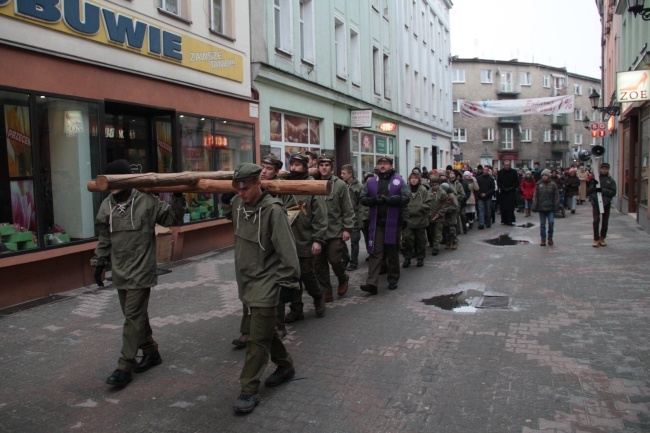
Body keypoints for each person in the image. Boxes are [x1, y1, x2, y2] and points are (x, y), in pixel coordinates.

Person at [90, 159, 186, 388]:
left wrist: (178, 196)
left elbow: (173, 218)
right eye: (109, 180)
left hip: (141, 271)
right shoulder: (106, 206)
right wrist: (99, 263)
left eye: (117, 180)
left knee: (132, 318)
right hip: (120, 272)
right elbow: (105, 239)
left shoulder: (146, 201)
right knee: (135, 318)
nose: (113, 184)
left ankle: (124, 367)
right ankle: (151, 352)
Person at [229, 163, 300, 415]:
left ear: (258, 182)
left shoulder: (273, 211)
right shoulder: (238, 205)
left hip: (267, 285)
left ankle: (248, 390)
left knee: (256, 339)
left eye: (245, 187)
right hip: (246, 282)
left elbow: (288, 252)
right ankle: (285, 365)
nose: (241, 192)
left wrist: (288, 284)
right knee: (265, 331)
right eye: (236, 188)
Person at [284, 153, 327, 323]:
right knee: (292, 276)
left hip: (306, 238)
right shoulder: (283, 185)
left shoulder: (312, 186)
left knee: (307, 274)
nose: (293, 168)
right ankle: (296, 309)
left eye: (297, 165)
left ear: (305, 167)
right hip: (287, 239)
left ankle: (318, 296)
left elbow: (320, 216)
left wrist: (318, 239)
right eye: (291, 164)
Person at [359, 156, 409, 294]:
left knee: (392, 252)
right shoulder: (371, 182)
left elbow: (406, 197)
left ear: (391, 166)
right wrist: (373, 200)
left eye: (385, 164)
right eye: (380, 163)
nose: (382, 166)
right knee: (375, 252)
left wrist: (391, 200)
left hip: (393, 223)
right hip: (377, 223)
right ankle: (371, 284)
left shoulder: (398, 180)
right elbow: (362, 198)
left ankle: (393, 279)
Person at [314, 153, 354, 301]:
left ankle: (343, 278)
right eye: (321, 165)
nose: (324, 168)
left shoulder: (340, 185)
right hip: (317, 231)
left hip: (335, 230)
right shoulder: (313, 183)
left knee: (335, 259)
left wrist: (347, 228)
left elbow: (347, 208)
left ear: (331, 167)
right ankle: (326, 291)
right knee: (319, 264)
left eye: (327, 165)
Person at [402, 171, 431, 268]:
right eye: (412, 178)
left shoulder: (423, 190)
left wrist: (420, 207)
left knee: (421, 240)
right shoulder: (406, 190)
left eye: (415, 178)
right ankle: (407, 258)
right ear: (409, 180)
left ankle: (420, 258)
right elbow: (402, 202)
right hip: (408, 220)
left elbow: (428, 203)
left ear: (419, 179)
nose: (413, 180)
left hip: (420, 220)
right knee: (408, 240)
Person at [587, 162, 617, 247]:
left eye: (606, 169)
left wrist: (602, 190)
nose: (604, 170)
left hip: (606, 203)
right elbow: (588, 191)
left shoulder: (611, 181)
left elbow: (613, 192)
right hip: (596, 202)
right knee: (596, 220)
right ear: (600, 169)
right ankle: (596, 239)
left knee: (605, 221)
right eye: (603, 168)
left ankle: (602, 238)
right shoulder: (595, 179)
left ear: (608, 169)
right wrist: (594, 186)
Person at [340, 164, 363, 271]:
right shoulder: (342, 185)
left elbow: (362, 204)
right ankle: (345, 258)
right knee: (340, 240)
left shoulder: (358, 186)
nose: (341, 176)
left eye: (344, 174)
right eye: (341, 173)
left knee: (354, 241)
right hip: (343, 217)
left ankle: (354, 262)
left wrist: (360, 219)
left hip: (355, 217)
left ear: (350, 174)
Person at [532, 169, 559, 246]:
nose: (544, 177)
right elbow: (535, 196)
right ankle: (543, 239)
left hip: (550, 207)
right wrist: (534, 206)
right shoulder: (539, 184)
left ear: (548, 176)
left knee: (551, 222)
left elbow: (556, 196)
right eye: (543, 175)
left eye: (546, 175)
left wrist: (556, 206)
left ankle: (550, 237)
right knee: (542, 224)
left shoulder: (553, 184)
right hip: (541, 207)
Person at [428, 176, 450, 256]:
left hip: (439, 217)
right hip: (430, 216)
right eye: (433, 185)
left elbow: (446, 204)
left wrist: (440, 213)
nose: (434, 186)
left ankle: (436, 247)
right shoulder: (428, 192)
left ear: (439, 184)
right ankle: (433, 243)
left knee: (438, 232)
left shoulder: (442, 193)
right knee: (431, 232)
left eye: (436, 184)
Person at [497, 160, 519, 226]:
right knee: (503, 207)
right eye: (505, 165)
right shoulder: (500, 172)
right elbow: (499, 182)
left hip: (511, 192)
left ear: (510, 165)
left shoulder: (514, 172)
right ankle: (504, 220)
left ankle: (510, 220)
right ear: (503, 165)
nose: (506, 166)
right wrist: (503, 188)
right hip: (503, 192)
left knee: (510, 207)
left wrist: (511, 188)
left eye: (508, 165)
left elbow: (516, 182)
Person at [440, 182, 459, 250]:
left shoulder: (451, 196)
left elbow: (455, 206)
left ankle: (454, 242)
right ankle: (448, 243)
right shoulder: (443, 195)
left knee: (452, 231)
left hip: (451, 217)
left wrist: (447, 209)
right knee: (445, 231)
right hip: (444, 216)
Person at [476, 165, 495, 229]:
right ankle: (481, 223)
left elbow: (492, 188)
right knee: (481, 210)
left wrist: (486, 194)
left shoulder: (491, 178)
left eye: (486, 170)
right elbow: (477, 188)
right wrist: (480, 193)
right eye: (484, 170)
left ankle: (488, 222)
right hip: (480, 196)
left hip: (488, 197)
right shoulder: (479, 178)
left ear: (488, 171)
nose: (485, 171)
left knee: (488, 210)